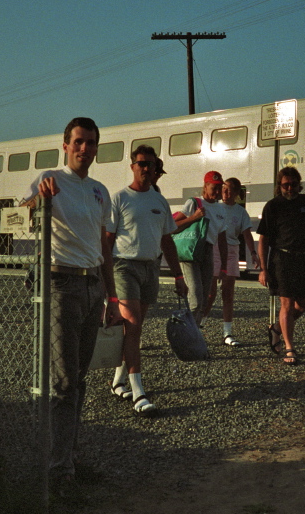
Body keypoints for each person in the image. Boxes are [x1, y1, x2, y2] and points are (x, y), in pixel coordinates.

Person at [22, 117, 120, 502]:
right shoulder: (49, 179)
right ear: (65, 145)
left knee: (79, 380)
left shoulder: (99, 191)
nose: (85, 149)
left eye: (91, 143)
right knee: (63, 383)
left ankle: (69, 460)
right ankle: (58, 472)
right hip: (60, 283)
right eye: (78, 142)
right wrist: (38, 198)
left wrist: (111, 297)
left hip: (93, 284)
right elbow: (24, 213)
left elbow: (103, 247)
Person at [106, 145, 188, 416]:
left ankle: (118, 381)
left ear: (155, 168)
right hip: (124, 266)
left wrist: (178, 275)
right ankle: (139, 393)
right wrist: (103, 279)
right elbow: (106, 241)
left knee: (134, 331)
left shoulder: (159, 201)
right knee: (134, 325)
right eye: (141, 163)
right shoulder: (119, 199)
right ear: (132, 166)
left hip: (151, 268)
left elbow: (167, 240)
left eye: (150, 165)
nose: (146, 168)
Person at [257, 167, 305, 365]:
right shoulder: (272, 206)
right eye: (285, 185)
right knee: (287, 303)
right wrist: (264, 269)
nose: (290, 188)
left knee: (302, 305)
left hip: (301, 258)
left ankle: (276, 328)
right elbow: (263, 240)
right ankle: (289, 348)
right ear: (279, 186)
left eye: (293, 184)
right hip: (281, 259)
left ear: (298, 184)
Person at [202, 177, 260, 346]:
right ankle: (200, 324)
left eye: (230, 191)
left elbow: (246, 234)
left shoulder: (240, 212)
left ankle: (227, 333)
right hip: (214, 249)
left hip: (232, 250)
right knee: (210, 293)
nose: (225, 193)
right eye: (224, 189)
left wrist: (253, 253)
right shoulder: (215, 207)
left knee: (227, 293)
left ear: (236, 194)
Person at [173, 171, 228, 326]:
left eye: (219, 188)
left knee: (204, 299)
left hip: (208, 251)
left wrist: (224, 266)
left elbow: (222, 240)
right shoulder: (194, 203)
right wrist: (193, 217)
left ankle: (193, 333)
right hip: (190, 251)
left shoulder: (221, 210)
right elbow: (172, 227)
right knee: (195, 299)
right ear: (205, 186)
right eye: (214, 188)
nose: (217, 192)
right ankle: (185, 331)